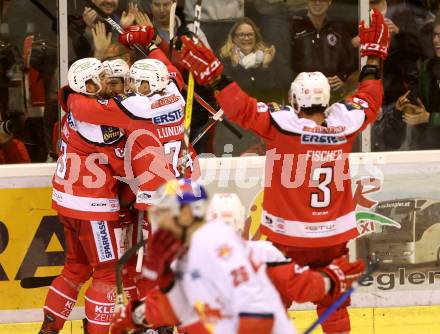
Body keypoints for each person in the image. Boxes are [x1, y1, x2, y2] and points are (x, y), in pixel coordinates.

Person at [177, 8, 389, 334]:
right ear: (326, 98)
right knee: (332, 301)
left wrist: (216, 76)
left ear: (295, 99)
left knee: (272, 297)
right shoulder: (345, 121)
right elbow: (369, 98)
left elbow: (241, 108)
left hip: (287, 235)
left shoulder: (282, 124)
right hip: (333, 235)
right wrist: (373, 61)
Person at [41, 58, 133, 334]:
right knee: (107, 271)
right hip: (92, 208)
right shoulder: (98, 124)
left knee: (75, 269)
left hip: (67, 203)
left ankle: (48, 330)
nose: (107, 82)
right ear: (89, 85)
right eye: (101, 79)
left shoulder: (75, 104)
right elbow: (125, 167)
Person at [289, 0, 357, 101]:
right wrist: (296, 83)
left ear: (329, 2)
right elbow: (285, 61)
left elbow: (349, 58)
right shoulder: (293, 25)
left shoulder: (339, 27)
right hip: (302, 93)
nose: (317, 2)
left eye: (322, 0)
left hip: (332, 94)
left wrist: (342, 78)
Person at [395, 17, 440, 149]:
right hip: (428, 144)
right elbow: (422, 104)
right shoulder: (427, 67)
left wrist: (429, 118)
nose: (435, 40)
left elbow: (427, 116)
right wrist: (406, 105)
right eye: (435, 35)